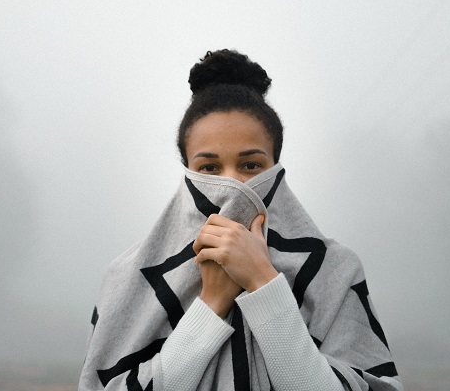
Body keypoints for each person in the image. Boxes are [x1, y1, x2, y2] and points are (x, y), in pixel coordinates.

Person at [78, 49, 403, 391]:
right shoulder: (129, 278)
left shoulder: (334, 270)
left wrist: (264, 284)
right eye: (210, 168)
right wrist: (211, 304)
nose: (232, 184)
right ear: (188, 171)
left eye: (250, 166)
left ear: (275, 167)